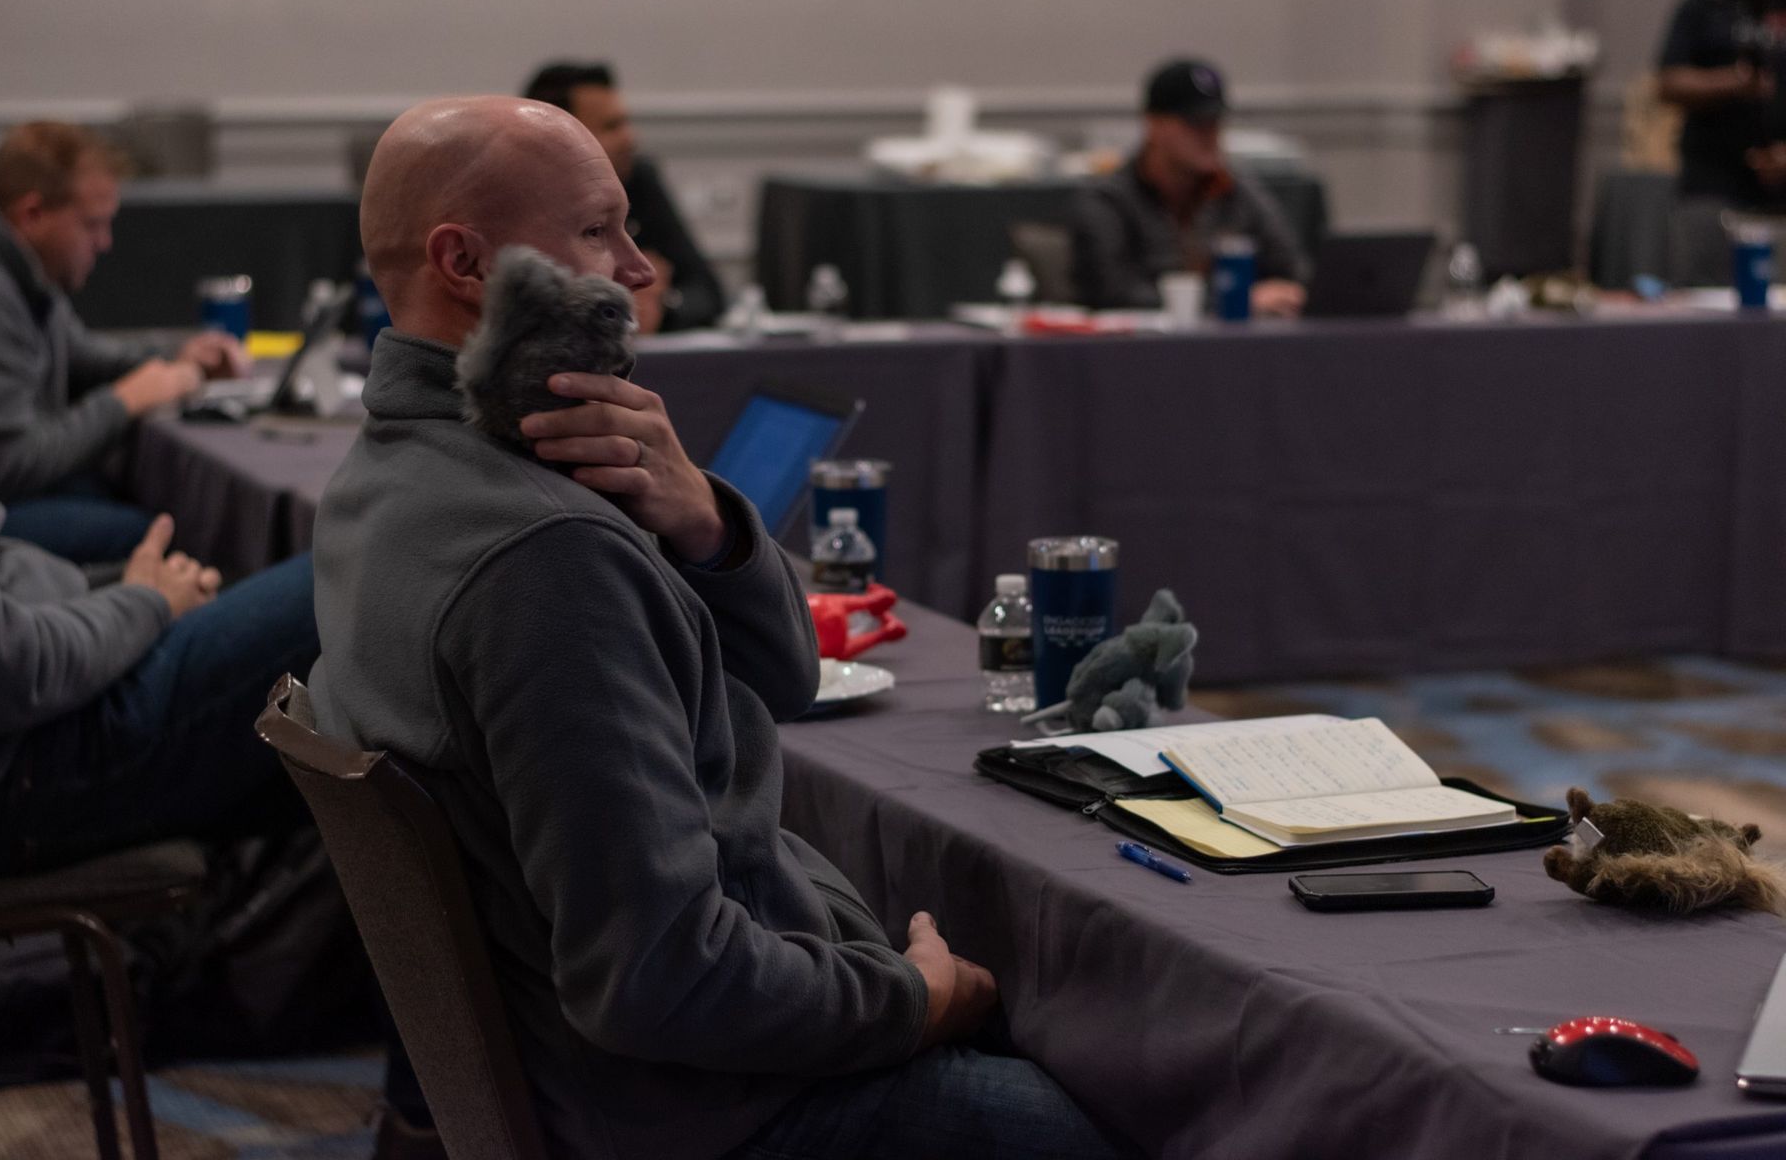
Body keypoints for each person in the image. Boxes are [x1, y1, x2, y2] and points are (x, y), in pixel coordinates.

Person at [310, 96, 1130, 1160]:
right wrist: (907, 1002)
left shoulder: (390, 476)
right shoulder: (544, 555)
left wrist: (705, 518)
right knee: (1125, 1100)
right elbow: (659, 978)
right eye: (599, 231)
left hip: (595, 1069)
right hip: (696, 1109)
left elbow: (787, 676)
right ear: (464, 261)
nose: (641, 269)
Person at [0, 161, 318, 880]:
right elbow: (8, 673)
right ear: (35, 212)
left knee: (324, 718)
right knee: (356, 578)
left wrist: (120, 592)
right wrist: (141, 604)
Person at [0, 121, 247, 562]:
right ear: (32, 214)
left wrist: (177, 356)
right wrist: (126, 400)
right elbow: (6, 468)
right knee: (172, 534)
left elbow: (81, 357)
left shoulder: (15, 261)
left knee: (157, 503)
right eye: (92, 226)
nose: (104, 244)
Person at [1072, 58, 1308, 317]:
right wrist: (1232, 299)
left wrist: (1284, 293)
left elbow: (1293, 270)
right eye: (1195, 123)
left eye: (1215, 121)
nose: (1209, 134)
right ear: (1154, 125)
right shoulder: (1108, 201)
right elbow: (1113, 293)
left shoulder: (1234, 191)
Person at [523, 60, 726, 332]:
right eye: (611, 126)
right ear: (560, 135)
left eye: (625, 122)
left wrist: (663, 307)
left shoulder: (638, 180)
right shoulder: (521, 199)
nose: (630, 138)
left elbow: (707, 293)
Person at [1657, 0, 1786, 285]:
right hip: (1712, 188)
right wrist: (1733, 83)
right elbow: (1667, 81)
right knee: (1704, 317)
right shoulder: (1710, 1)